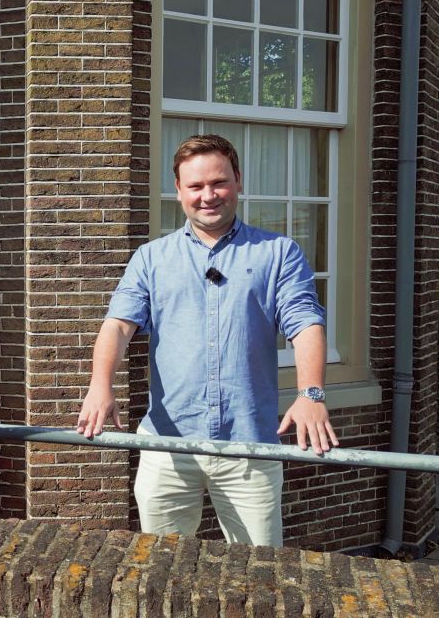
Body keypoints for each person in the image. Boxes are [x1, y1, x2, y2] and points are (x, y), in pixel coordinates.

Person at [75, 134, 337, 547]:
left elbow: (305, 323)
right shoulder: (151, 258)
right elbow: (118, 325)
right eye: (195, 186)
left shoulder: (278, 253)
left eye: (219, 182)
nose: (208, 195)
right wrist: (99, 385)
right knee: (162, 567)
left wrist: (311, 393)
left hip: (250, 446)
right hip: (167, 444)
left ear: (238, 181)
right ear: (178, 191)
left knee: (260, 570)